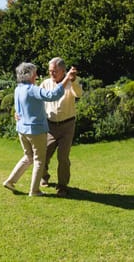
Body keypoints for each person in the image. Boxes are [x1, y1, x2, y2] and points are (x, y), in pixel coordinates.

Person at [3, 62, 74, 197]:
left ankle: (10, 181)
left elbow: (18, 107)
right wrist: (66, 78)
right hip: (35, 131)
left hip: (21, 130)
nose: (36, 75)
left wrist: (17, 113)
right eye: (35, 72)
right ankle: (34, 190)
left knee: (28, 157)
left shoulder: (18, 88)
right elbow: (52, 95)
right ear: (29, 75)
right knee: (39, 160)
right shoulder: (32, 89)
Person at [40, 57, 83, 197]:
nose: (51, 74)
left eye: (55, 71)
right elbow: (36, 99)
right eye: (50, 71)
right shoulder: (46, 83)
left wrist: (73, 79)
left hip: (67, 126)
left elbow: (79, 94)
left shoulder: (71, 83)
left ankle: (62, 186)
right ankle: (44, 177)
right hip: (50, 126)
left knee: (63, 158)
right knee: (44, 154)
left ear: (63, 71)